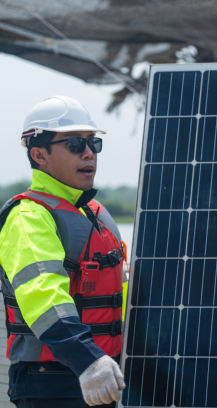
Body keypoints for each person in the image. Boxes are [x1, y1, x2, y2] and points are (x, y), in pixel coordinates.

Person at [0, 96, 129, 407]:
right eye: (74, 144)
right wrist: (86, 359)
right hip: (54, 379)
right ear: (39, 154)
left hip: (101, 371)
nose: (88, 153)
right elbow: (44, 296)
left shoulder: (95, 213)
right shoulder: (28, 216)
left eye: (93, 143)